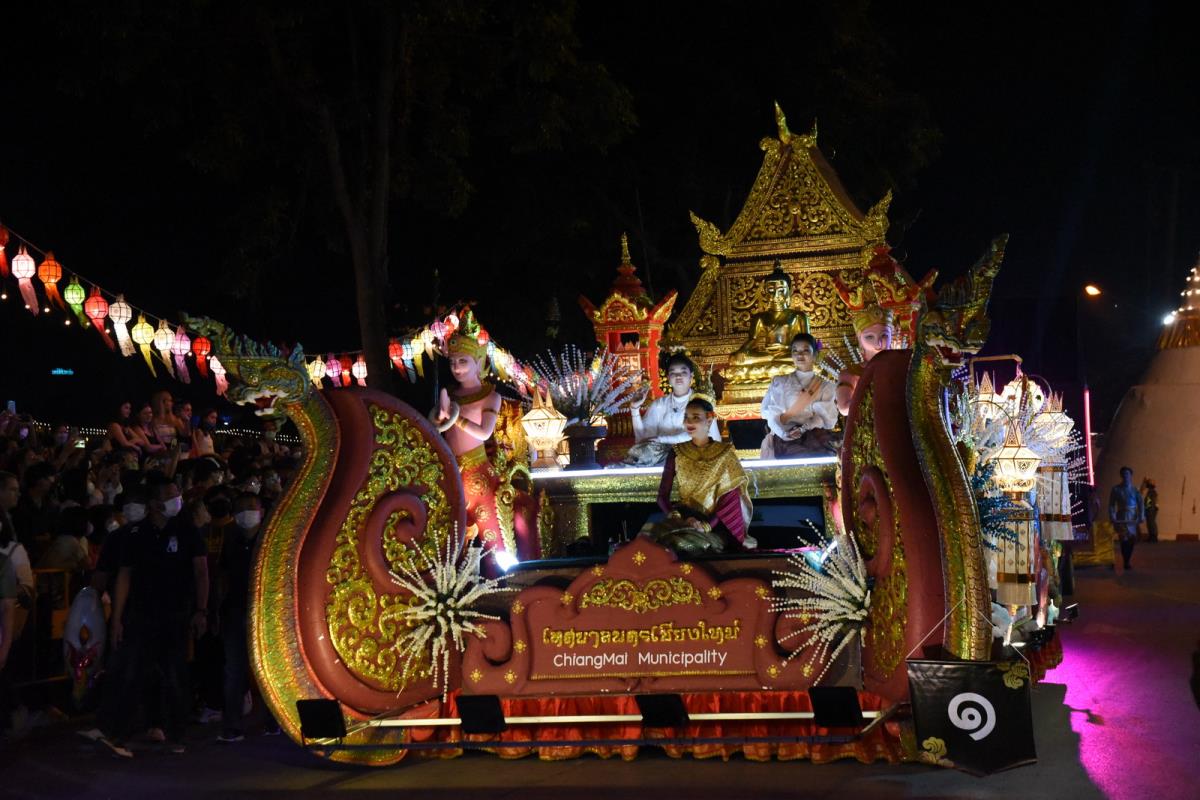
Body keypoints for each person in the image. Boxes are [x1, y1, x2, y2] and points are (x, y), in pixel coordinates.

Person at [110, 478, 208, 753]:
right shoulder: (136, 533)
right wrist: (117, 618)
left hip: (176, 614)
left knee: (175, 673)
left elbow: (201, 571)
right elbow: (124, 575)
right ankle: (123, 733)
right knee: (134, 672)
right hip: (141, 614)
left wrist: (201, 610)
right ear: (154, 503)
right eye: (170, 495)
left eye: (177, 494)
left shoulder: (187, 530)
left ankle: (177, 734)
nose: (177, 500)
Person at [429, 325, 507, 560]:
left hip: (478, 472)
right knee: (450, 542)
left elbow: (484, 433)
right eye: (453, 362)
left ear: (478, 362)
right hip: (451, 472)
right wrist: (440, 417)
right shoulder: (450, 396)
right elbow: (435, 429)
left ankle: (503, 574)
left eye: (463, 361)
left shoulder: (490, 396)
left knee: (493, 540)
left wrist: (456, 418)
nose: (456, 368)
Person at [645, 396, 754, 555]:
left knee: (681, 545)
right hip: (682, 520)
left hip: (714, 525)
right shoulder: (677, 452)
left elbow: (729, 500)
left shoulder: (725, 454)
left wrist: (706, 525)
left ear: (709, 420)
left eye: (696, 417)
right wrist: (679, 517)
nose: (689, 422)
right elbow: (662, 496)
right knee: (649, 540)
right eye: (686, 417)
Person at [217, 493, 275, 741]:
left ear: (261, 511)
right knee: (234, 670)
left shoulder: (271, 539)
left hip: (265, 614)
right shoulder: (231, 540)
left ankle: (274, 721)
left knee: (269, 670)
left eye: (251, 507)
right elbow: (223, 577)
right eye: (240, 508)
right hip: (236, 611)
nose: (246, 513)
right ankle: (232, 725)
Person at [624, 354, 721, 466]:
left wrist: (662, 439)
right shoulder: (659, 404)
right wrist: (634, 408)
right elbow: (642, 440)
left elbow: (701, 435)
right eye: (673, 372)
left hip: (695, 457)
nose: (678, 376)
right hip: (664, 460)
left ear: (691, 376)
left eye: (683, 372)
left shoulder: (702, 403)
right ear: (668, 377)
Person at [759, 333, 838, 458]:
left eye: (806, 350)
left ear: (815, 355)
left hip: (814, 439)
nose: (799, 355)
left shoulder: (825, 385)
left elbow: (824, 418)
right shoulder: (780, 382)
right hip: (783, 439)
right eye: (795, 351)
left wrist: (803, 429)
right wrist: (784, 434)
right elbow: (771, 416)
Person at [729, 262, 810, 367]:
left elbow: (807, 342)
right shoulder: (760, 317)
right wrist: (742, 351)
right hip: (766, 355)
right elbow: (753, 339)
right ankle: (774, 361)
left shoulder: (798, 316)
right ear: (765, 292)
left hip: (788, 354)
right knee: (734, 360)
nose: (775, 295)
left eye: (781, 290)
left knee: (807, 358)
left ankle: (775, 362)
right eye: (771, 290)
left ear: (789, 292)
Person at [835, 306, 895, 416]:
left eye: (884, 335)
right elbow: (844, 408)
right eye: (870, 337)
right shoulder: (850, 373)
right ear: (859, 338)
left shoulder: (901, 368)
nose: (878, 343)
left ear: (892, 335)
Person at [1108, 466, 1144, 571]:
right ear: (1121, 476)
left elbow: (1141, 503)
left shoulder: (1135, 490)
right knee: (1123, 539)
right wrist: (1112, 515)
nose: (1126, 476)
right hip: (1122, 517)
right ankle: (1126, 561)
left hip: (1132, 517)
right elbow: (1111, 504)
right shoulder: (1116, 489)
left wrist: (1141, 515)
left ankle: (1127, 558)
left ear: (1131, 476)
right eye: (1124, 474)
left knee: (1132, 540)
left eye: (1127, 474)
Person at [1142, 478, 1159, 543]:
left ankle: (1153, 537)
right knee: (1150, 523)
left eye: (1148, 484)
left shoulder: (1152, 492)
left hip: (1151, 509)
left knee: (1151, 523)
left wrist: (1147, 508)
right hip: (1151, 509)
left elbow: (1149, 502)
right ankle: (1152, 536)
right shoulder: (1152, 492)